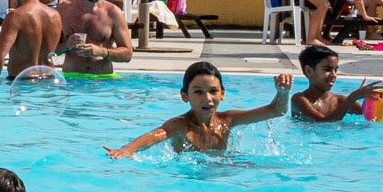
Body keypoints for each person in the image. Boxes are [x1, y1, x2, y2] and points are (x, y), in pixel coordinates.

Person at [107, 62, 291, 157]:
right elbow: (154, 135)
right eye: (198, 92)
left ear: (222, 93)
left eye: (213, 91)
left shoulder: (228, 120)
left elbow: (276, 111)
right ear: (184, 96)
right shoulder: (180, 125)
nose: (207, 98)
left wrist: (283, 93)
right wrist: (128, 149)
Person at [288, 44, 383, 122]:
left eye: (335, 70)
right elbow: (322, 123)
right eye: (327, 69)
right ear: (309, 71)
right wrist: (352, 98)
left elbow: (373, 115)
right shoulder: (299, 99)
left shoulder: (340, 101)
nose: (334, 74)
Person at [0, 0, 61, 81]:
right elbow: (58, 50)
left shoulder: (15, 16)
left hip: (22, 82)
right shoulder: (55, 15)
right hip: (49, 81)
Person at [56, 0, 132, 77]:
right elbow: (46, 51)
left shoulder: (113, 13)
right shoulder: (63, 10)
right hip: (72, 78)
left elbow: (127, 54)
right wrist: (66, 45)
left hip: (103, 79)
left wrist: (102, 52)